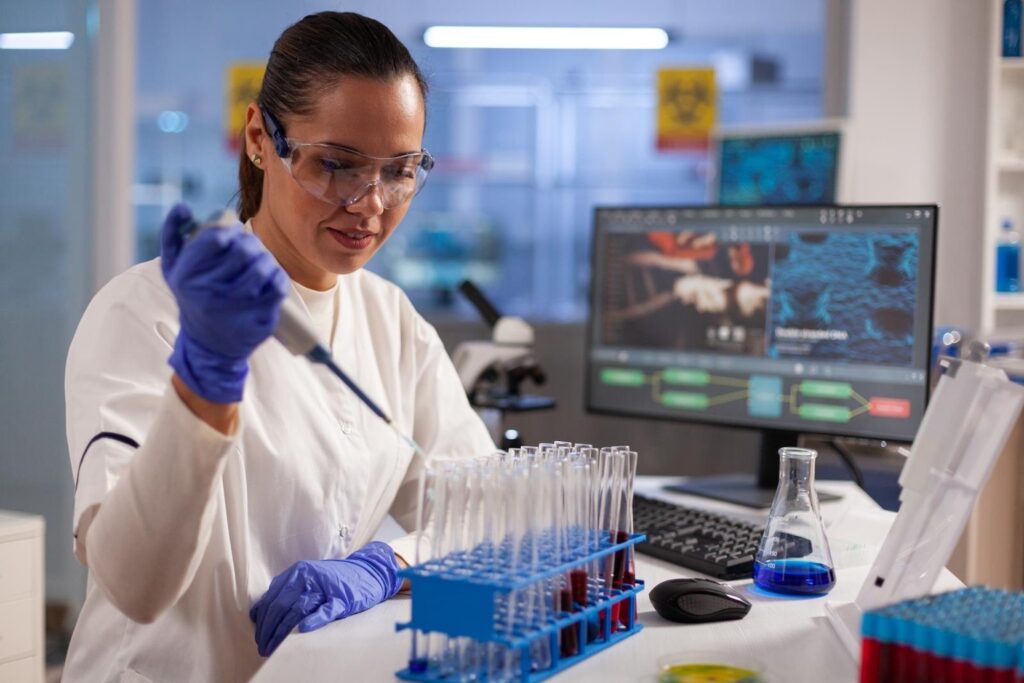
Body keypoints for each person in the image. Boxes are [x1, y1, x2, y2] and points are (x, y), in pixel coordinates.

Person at [62, 12, 493, 682]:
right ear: (261, 138)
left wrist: (390, 565)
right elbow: (134, 585)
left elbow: (487, 512)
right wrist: (203, 384)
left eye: (400, 170)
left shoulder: (394, 323)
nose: (369, 204)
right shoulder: (143, 313)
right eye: (337, 165)